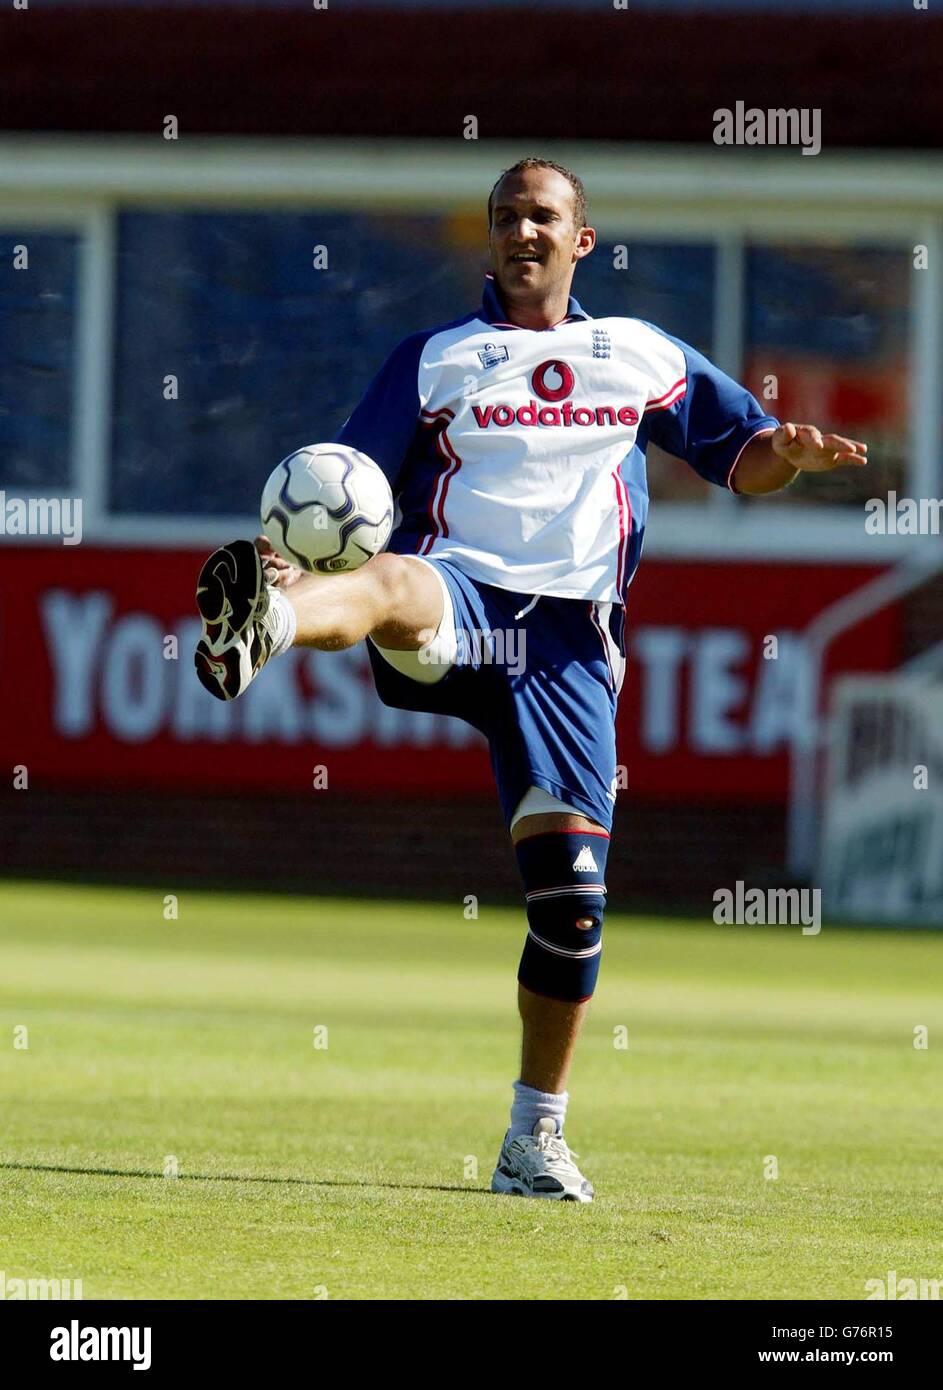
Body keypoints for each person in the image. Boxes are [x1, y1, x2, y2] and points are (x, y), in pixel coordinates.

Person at [194, 157, 867, 1202]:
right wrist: (281, 564)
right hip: (459, 599)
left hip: (568, 651)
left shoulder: (637, 353)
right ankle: (268, 626)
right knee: (392, 582)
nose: (520, 231)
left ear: (580, 240)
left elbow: (744, 456)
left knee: (572, 907)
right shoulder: (435, 361)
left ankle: (530, 1140)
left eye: (541, 216)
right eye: (505, 216)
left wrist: (789, 453)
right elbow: (347, 491)